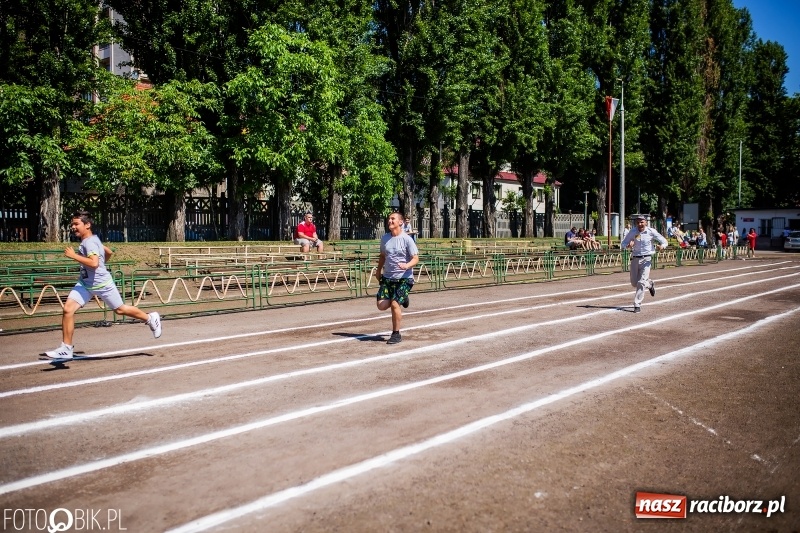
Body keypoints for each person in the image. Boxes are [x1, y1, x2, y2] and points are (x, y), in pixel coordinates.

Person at [44, 210, 162, 359]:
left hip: (102, 285)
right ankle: (66, 348)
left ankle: (150, 318)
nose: (73, 227)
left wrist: (74, 256)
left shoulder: (90, 242)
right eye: (72, 224)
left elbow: (94, 263)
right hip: (85, 284)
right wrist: (100, 263)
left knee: (120, 310)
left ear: (87, 225)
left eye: (76, 224)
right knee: (68, 310)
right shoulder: (92, 240)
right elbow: (109, 252)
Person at [376, 212, 419, 345]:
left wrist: (407, 265)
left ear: (401, 222)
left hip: (404, 278)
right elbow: (383, 256)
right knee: (381, 305)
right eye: (389, 218)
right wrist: (378, 271)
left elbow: (415, 258)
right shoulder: (385, 239)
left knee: (395, 303)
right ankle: (403, 298)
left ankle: (396, 334)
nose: (390, 220)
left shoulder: (407, 239)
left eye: (393, 218)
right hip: (388, 278)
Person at [620, 214, 668, 313]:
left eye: (642, 222)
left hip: (646, 259)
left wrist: (662, 246)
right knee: (634, 283)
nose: (640, 224)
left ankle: (637, 304)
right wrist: (628, 245)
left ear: (646, 222)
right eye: (638, 222)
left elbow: (664, 241)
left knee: (641, 282)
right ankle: (649, 284)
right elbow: (623, 243)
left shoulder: (651, 231)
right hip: (635, 258)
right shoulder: (633, 232)